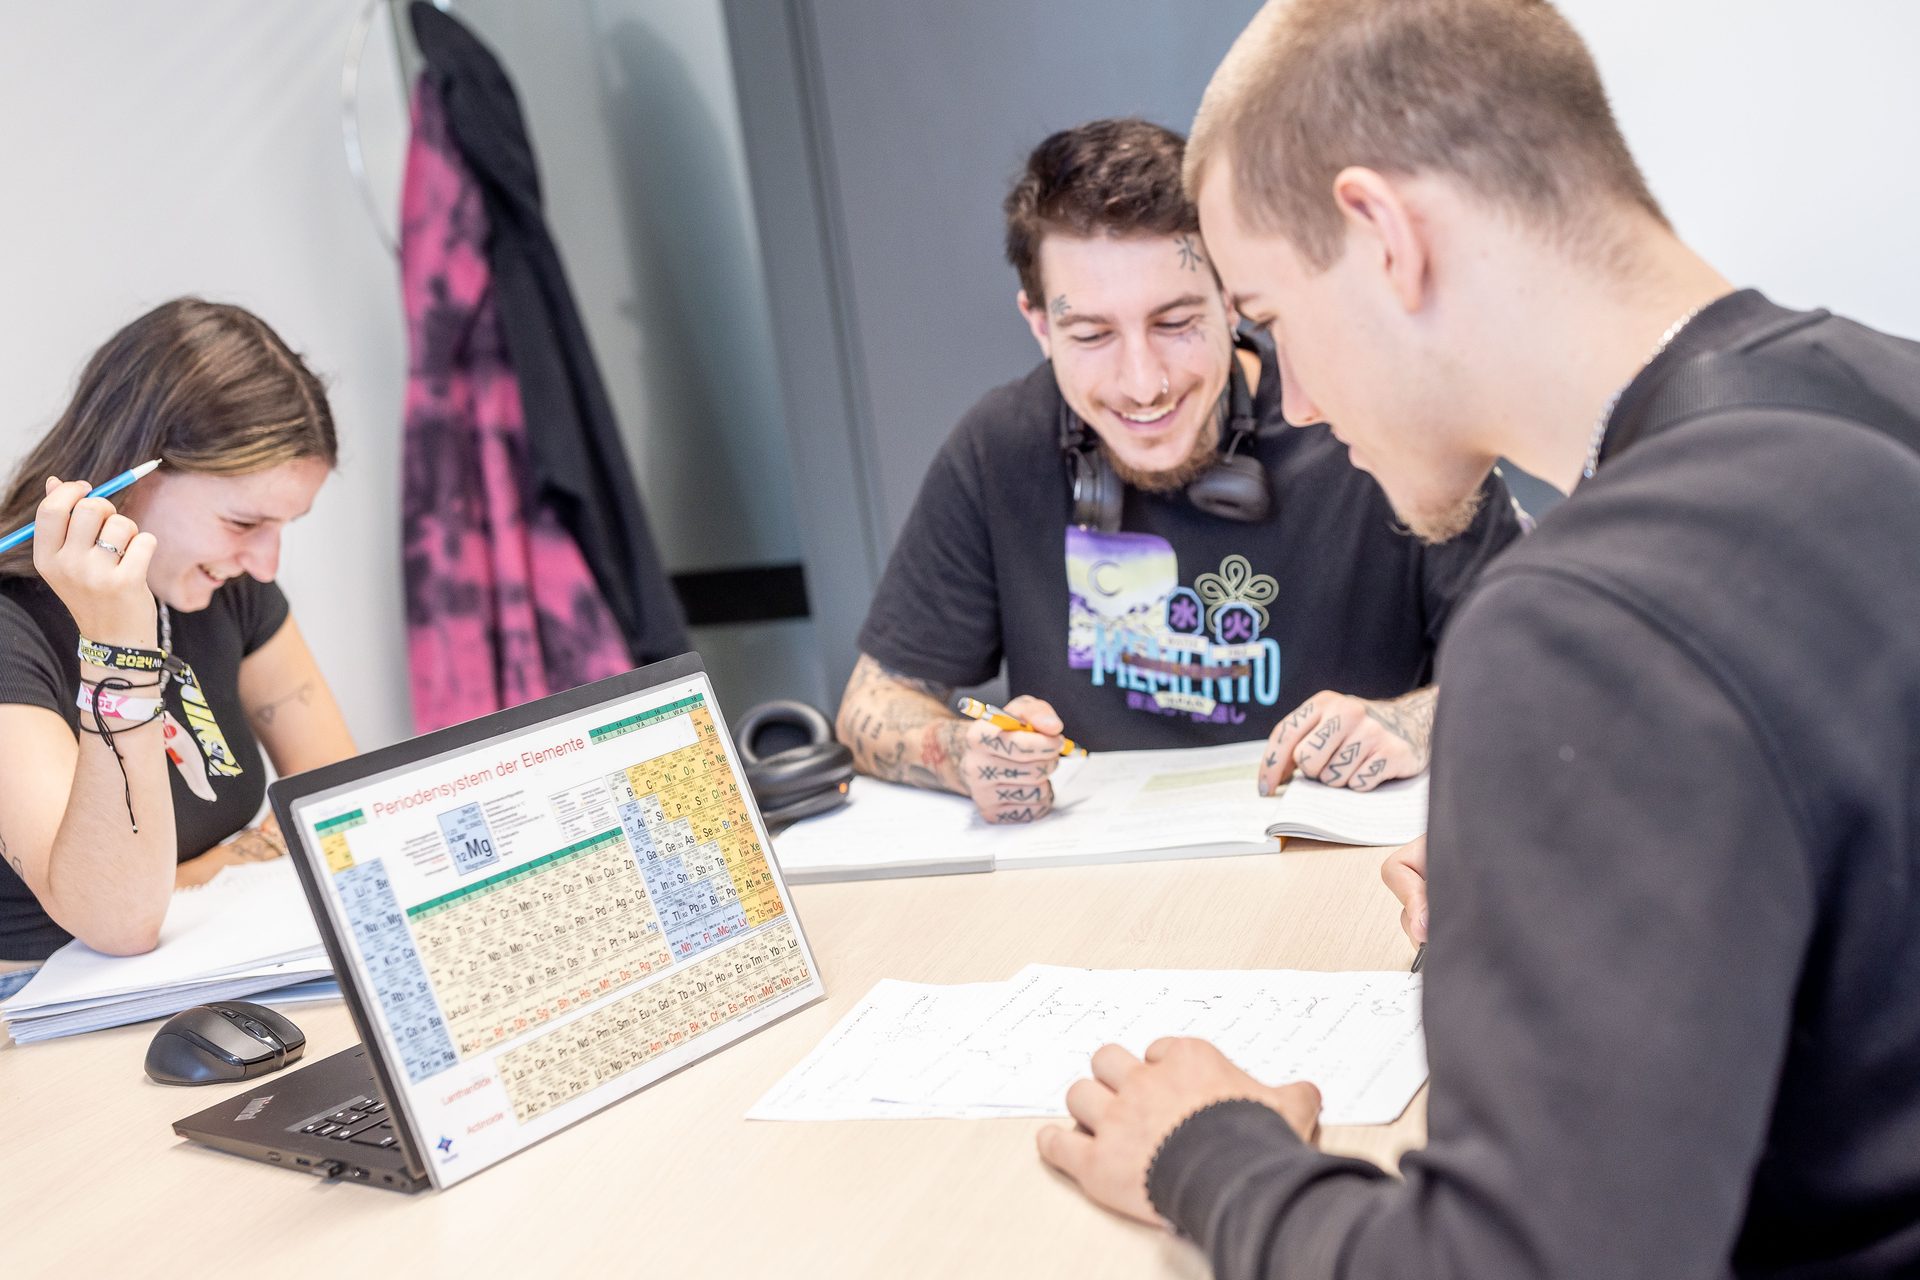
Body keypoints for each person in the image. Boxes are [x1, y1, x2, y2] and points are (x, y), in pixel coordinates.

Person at [1037, 2, 1920, 1275]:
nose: (1292, 400)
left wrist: (1210, 1150)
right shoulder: (1879, 392)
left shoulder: (1593, 613)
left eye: (1271, 320)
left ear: (1384, 236)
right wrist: (1596, 923)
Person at [840, 119, 1520, 823]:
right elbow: (869, 703)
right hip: (1095, 890)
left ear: (1231, 300)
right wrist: (962, 752)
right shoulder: (998, 446)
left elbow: (1536, 665)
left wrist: (1410, 724)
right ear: (1040, 325)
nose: (1142, 384)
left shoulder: (1368, 428)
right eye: (1091, 334)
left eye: (1174, 323)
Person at [0, 298, 357, 961]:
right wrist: (117, 652)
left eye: (285, 527)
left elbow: (344, 817)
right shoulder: (8, 629)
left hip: (200, 957)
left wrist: (189, 877)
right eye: (244, 524)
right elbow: (115, 922)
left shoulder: (232, 590)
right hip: (41, 1005)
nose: (266, 563)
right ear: (131, 480)